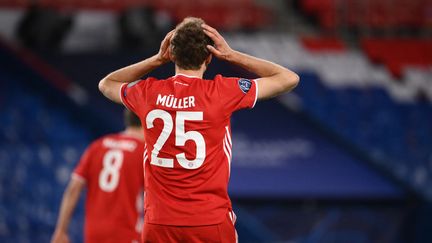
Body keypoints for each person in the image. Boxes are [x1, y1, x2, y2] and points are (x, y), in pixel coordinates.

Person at [98, 17, 299, 242]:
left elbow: (106, 84)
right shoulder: (222, 92)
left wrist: (155, 60)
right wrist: (232, 55)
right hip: (209, 221)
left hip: (159, 223)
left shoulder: (148, 92)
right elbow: (288, 79)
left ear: (172, 54)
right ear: (209, 56)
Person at [51, 110, 145, 243]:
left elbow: (73, 188)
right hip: (126, 232)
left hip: (94, 232)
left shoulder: (97, 146)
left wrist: (61, 230)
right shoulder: (144, 152)